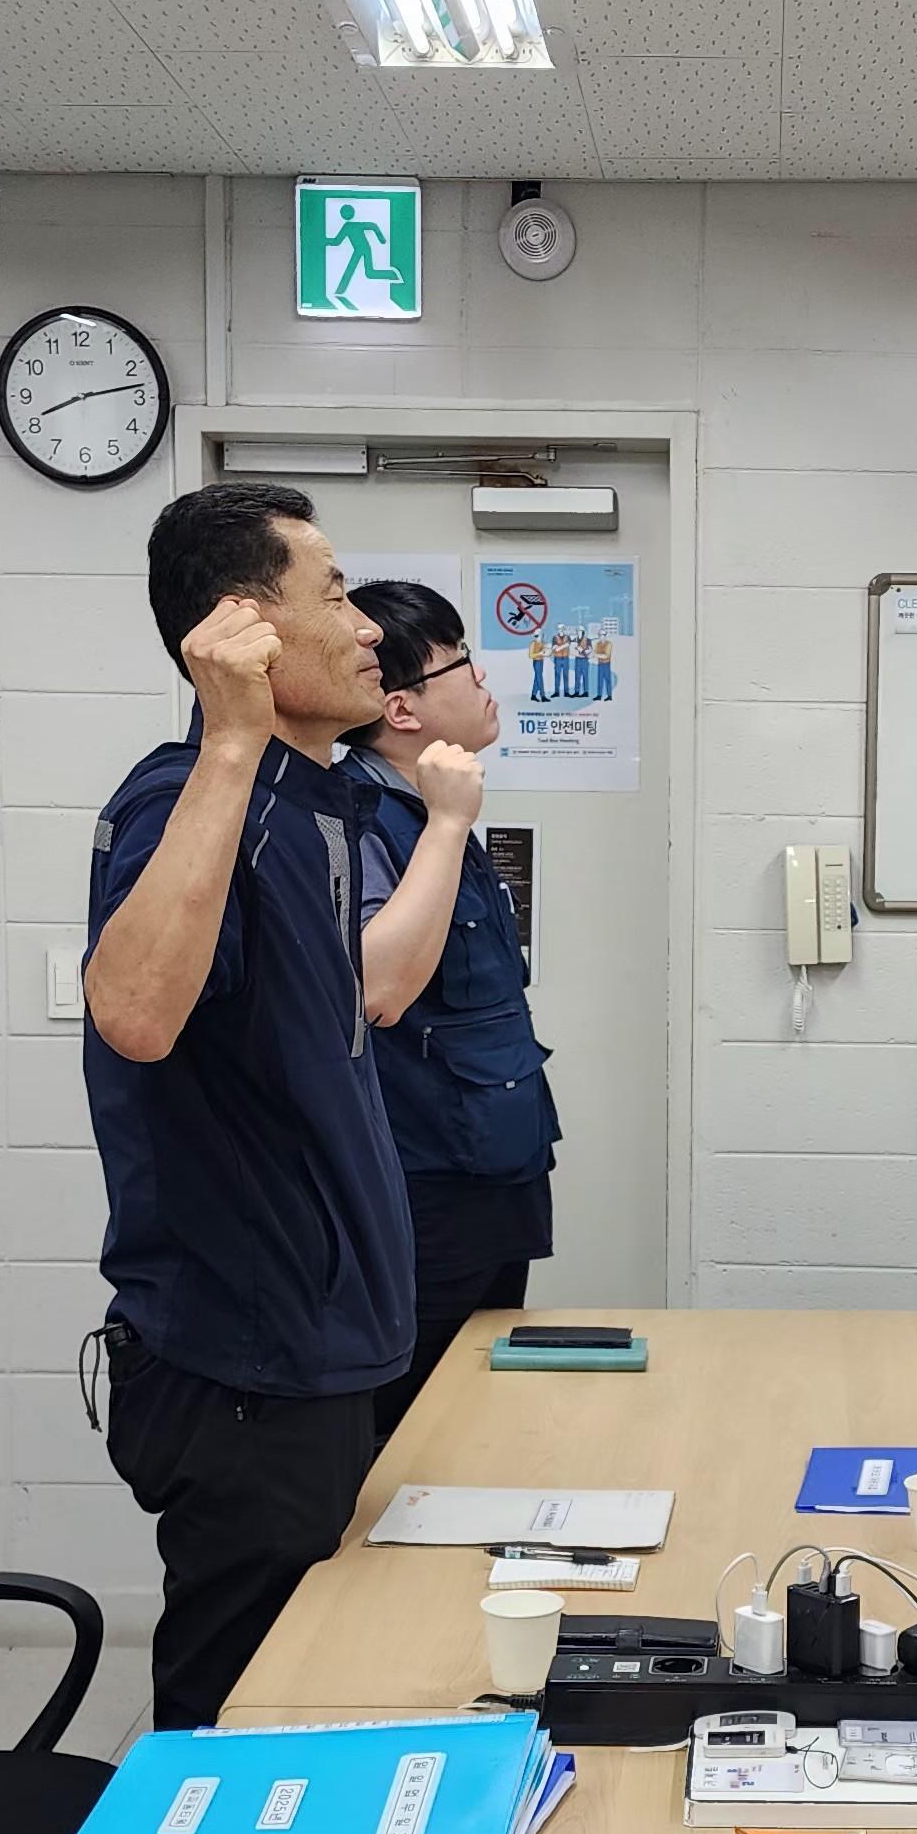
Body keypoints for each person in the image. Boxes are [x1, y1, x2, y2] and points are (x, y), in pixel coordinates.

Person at [82, 481, 410, 1733]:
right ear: (245, 627)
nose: (367, 626)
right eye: (334, 595)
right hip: (243, 1364)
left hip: (311, 1348)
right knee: (232, 1709)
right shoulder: (192, 798)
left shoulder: (313, 802)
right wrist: (230, 740)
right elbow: (134, 1013)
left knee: (304, 1686)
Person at [343, 577, 562, 1434]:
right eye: (461, 662)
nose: (482, 678)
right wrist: (445, 823)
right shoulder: (366, 820)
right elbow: (377, 989)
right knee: (415, 1433)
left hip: (492, 1170)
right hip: (425, 1190)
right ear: (401, 709)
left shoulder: (439, 816)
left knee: (481, 1416)